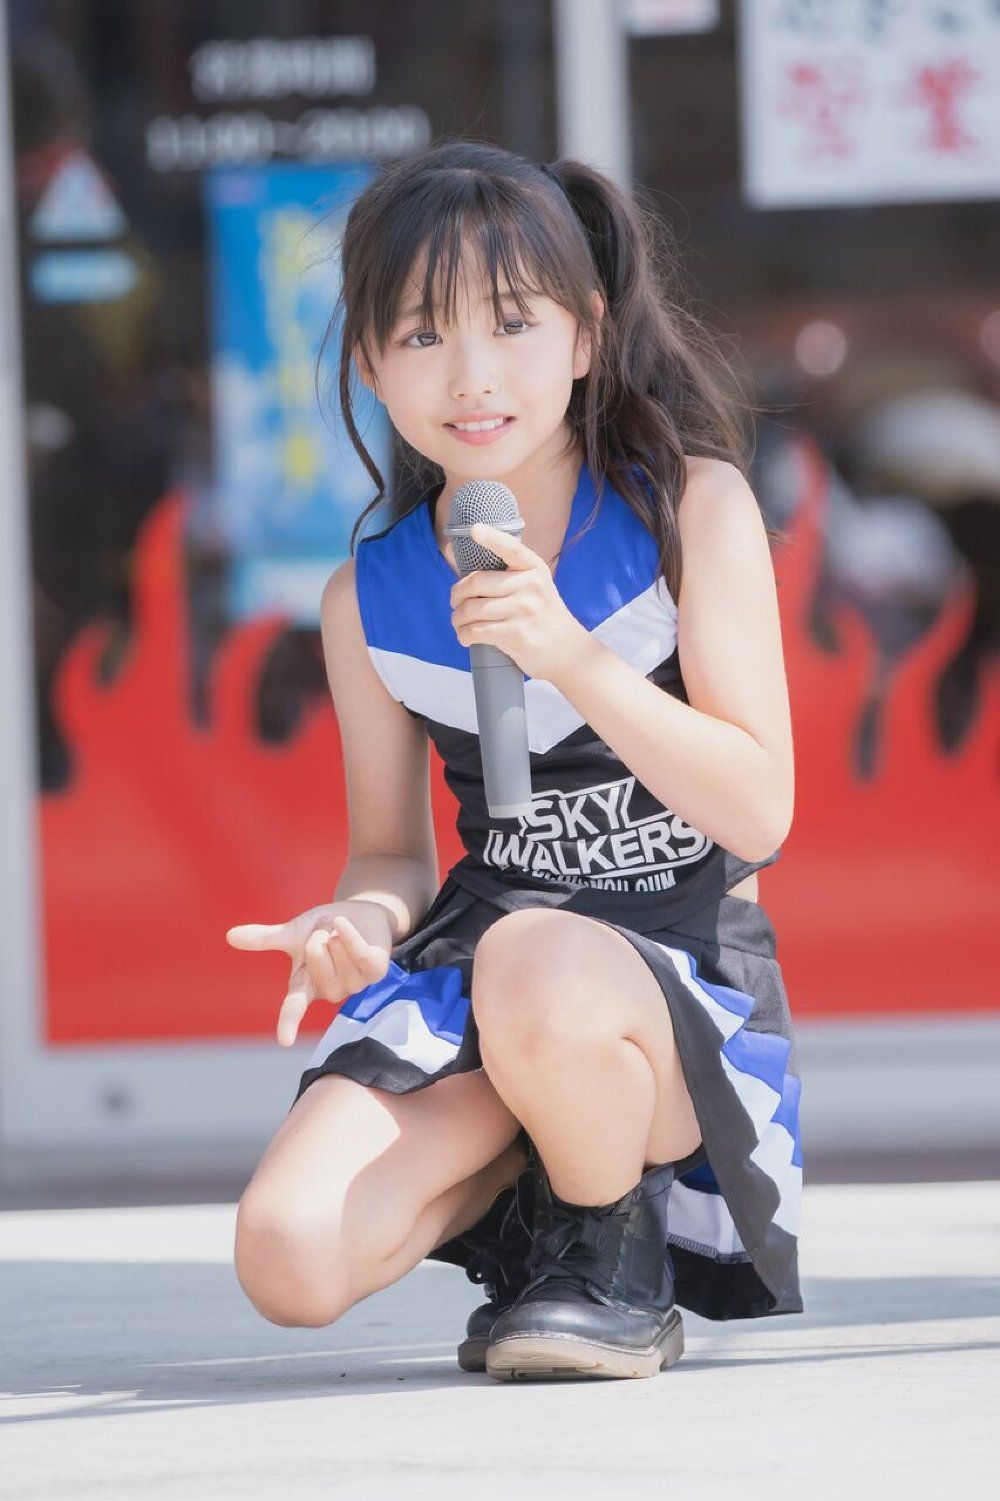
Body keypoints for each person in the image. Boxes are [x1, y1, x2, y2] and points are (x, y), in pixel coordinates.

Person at [226, 139, 804, 1383]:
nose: (471, 375)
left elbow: (759, 811)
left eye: (512, 323)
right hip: (489, 976)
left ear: (587, 334)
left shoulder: (688, 510)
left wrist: (570, 657)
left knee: (533, 955)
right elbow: (392, 854)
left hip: (671, 972)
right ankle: (540, 1194)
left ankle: (611, 1253)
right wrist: (357, 922)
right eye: (421, 334)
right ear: (369, 362)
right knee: (289, 1253)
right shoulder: (366, 599)